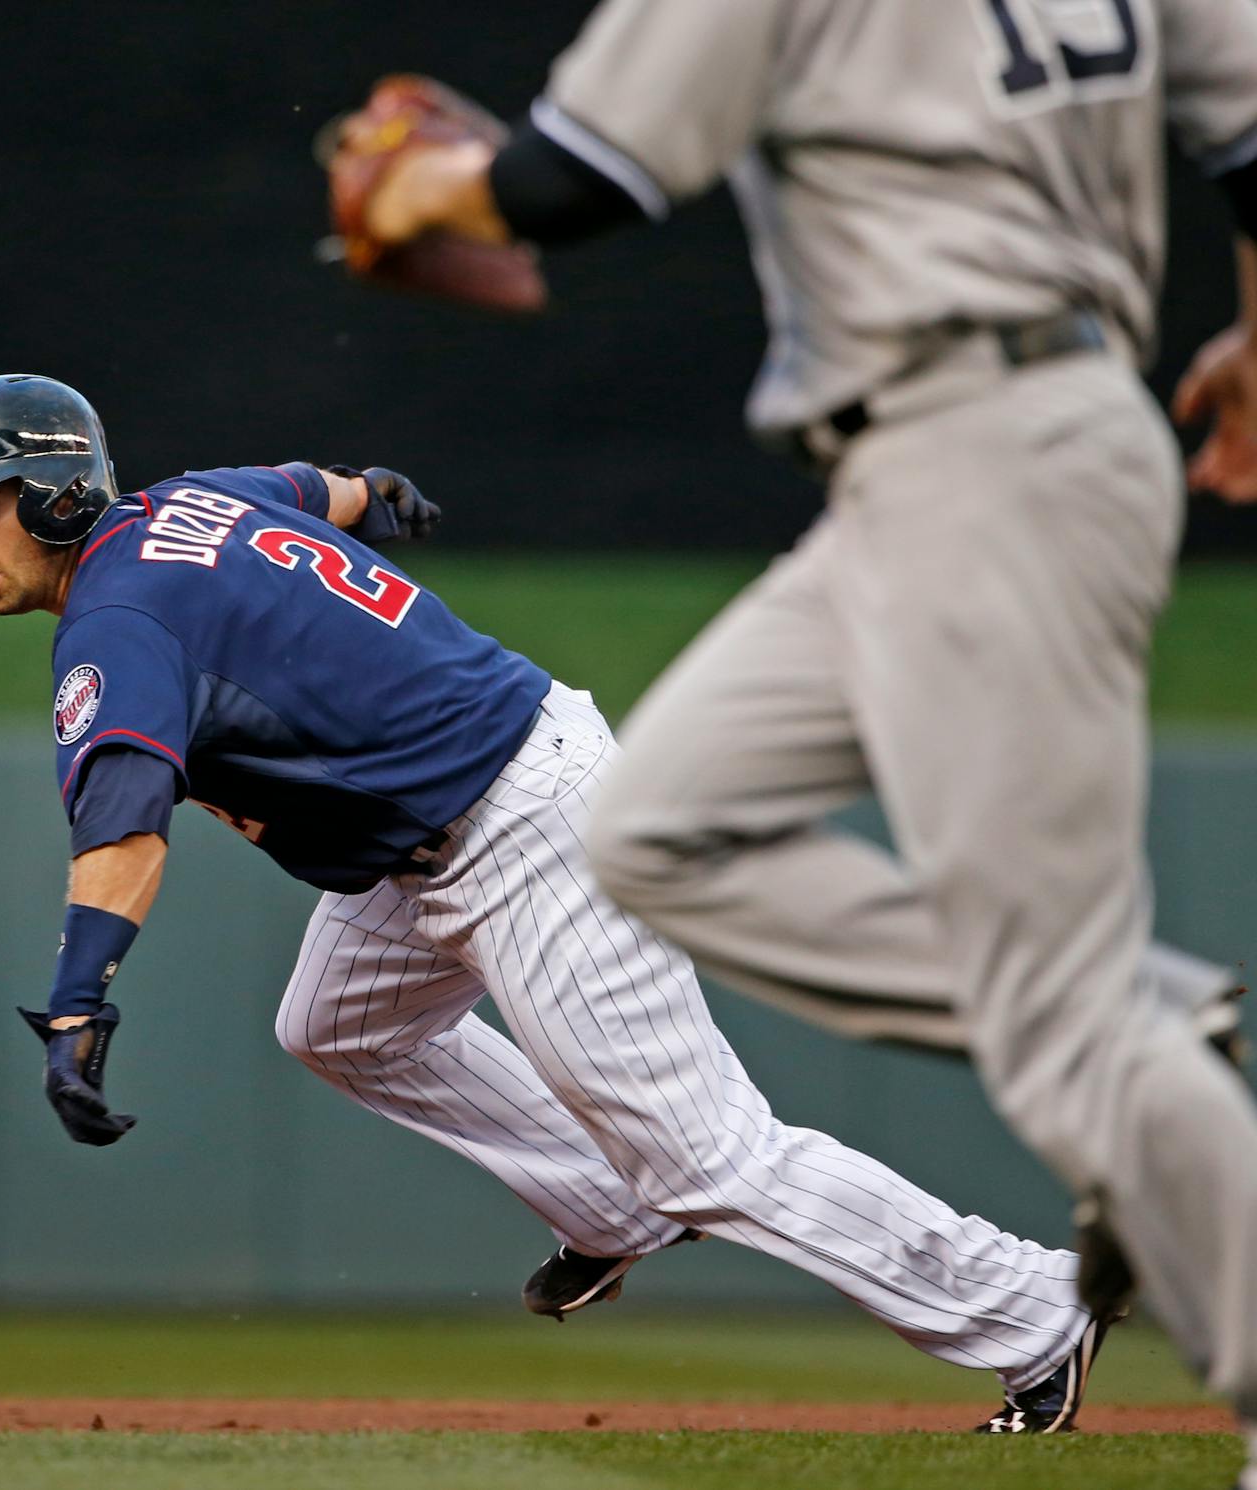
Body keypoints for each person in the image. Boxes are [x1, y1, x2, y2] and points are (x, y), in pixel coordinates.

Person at [328, 0, 1257, 1468]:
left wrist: (418, 189)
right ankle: (1110, 1019)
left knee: (1078, 1024)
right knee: (658, 829)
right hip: (946, 458)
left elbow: (574, 182)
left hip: (982, 453)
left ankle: (1109, 1033)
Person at [0, 371, 1117, 1435]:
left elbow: (123, 822)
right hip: (446, 824)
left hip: (523, 822)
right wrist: (379, 487)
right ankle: (609, 1204)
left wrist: (75, 996)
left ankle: (1032, 1306)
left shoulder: (118, 616)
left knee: (711, 1153)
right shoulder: (194, 502)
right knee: (335, 1025)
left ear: (58, 491)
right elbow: (324, 486)